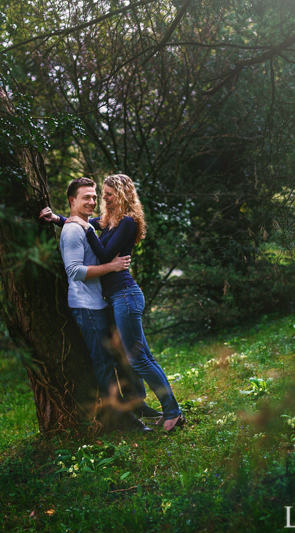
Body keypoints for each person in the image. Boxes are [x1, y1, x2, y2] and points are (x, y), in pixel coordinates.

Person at [62, 174, 185, 432]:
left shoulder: (127, 222)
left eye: (107, 194)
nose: (102, 199)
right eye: (101, 194)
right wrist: (58, 219)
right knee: (142, 357)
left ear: (121, 194)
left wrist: (86, 228)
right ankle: (170, 410)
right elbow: (78, 222)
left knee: (139, 360)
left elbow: (103, 251)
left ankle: (173, 412)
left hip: (125, 295)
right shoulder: (108, 221)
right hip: (116, 298)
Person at [40, 177, 151, 433]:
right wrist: (111, 267)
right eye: (86, 197)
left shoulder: (81, 225)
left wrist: (57, 218)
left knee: (116, 357)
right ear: (72, 201)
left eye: (94, 196)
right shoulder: (72, 231)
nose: (93, 201)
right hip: (86, 306)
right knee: (103, 362)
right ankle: (120, 418)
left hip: (98, 302)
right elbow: (75, 271)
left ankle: (133, 406)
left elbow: (95, 224)